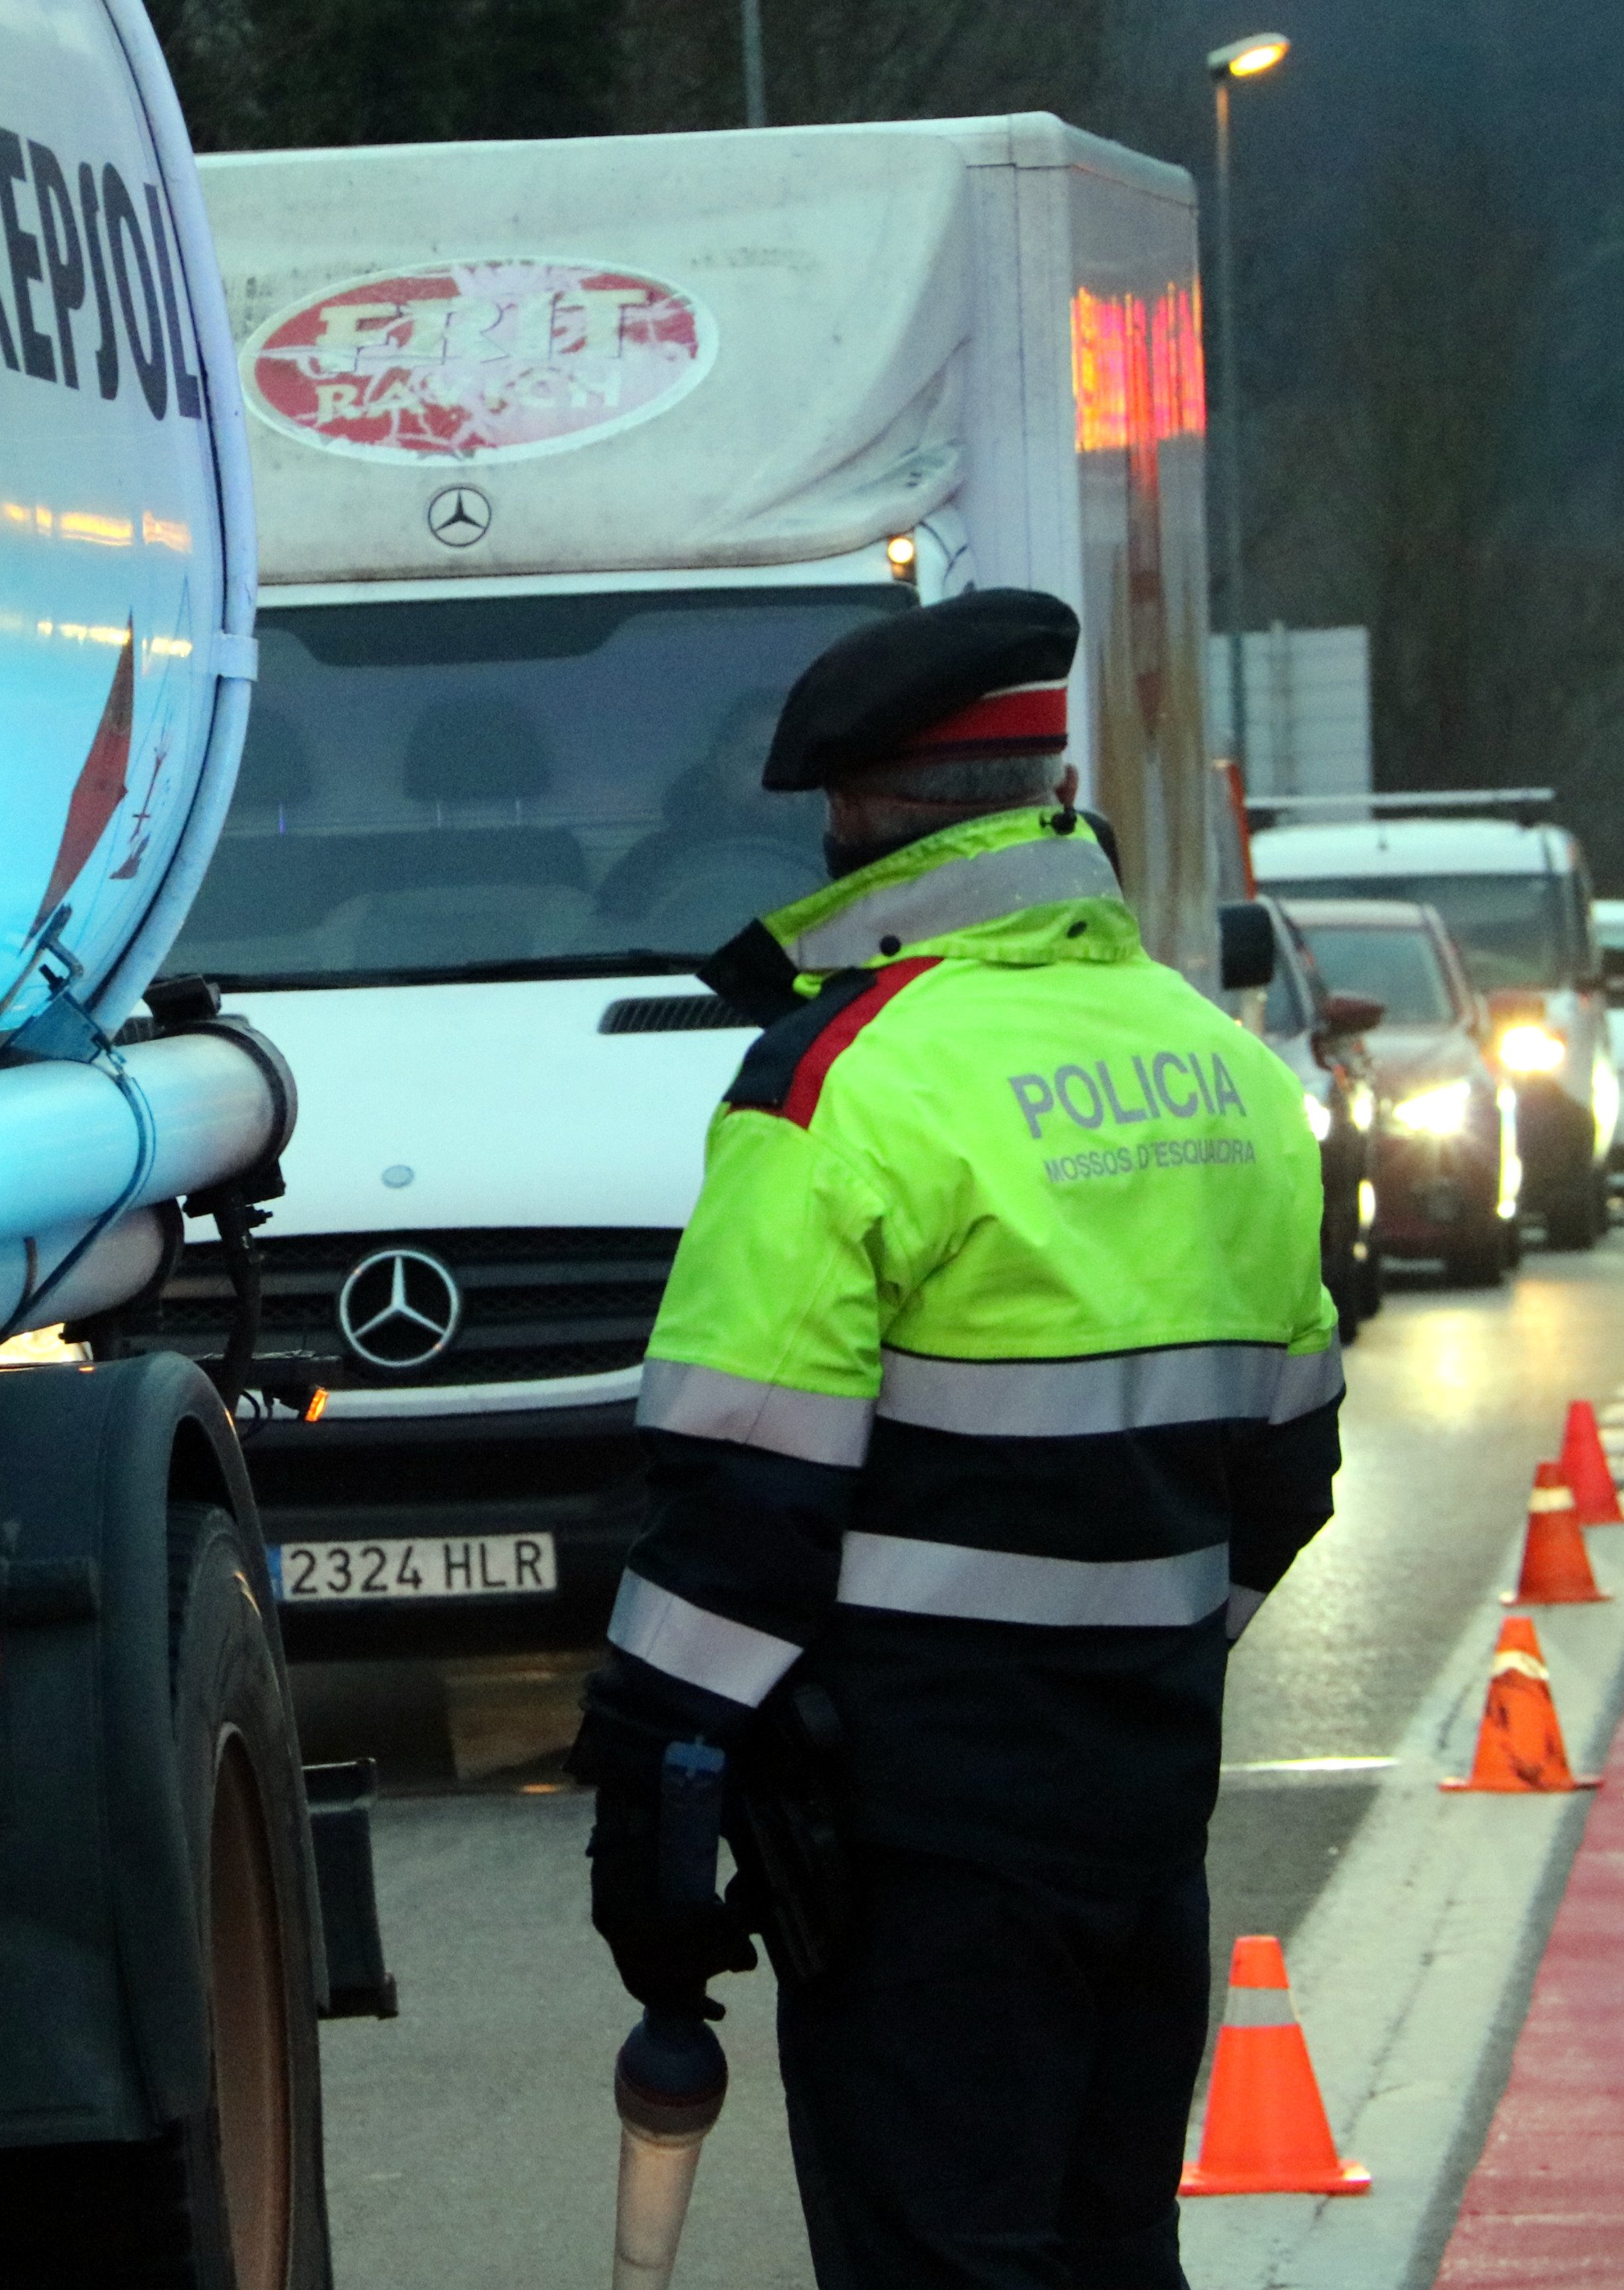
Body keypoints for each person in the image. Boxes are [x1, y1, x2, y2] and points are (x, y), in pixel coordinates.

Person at [572, 588, 1343, 2290]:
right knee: (1111, 2246)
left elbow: (737, 1503)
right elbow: (1289, 1467)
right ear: (1046, 792)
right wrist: (1127, 1652)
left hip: (916, 1836)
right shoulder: (1216, 1067)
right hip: (1142, 1803)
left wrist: (659, 1783)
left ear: (857, 815)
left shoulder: (842, 1079)